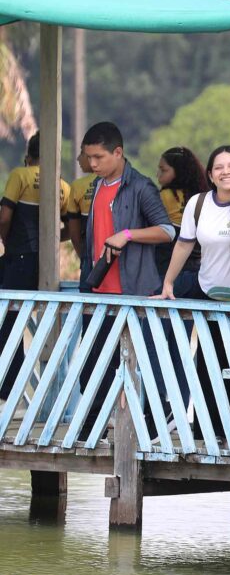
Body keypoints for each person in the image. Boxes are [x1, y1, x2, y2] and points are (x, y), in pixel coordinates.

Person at [156, 145, 230, 441]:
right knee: (208, 361)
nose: (226, 172)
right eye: (219, 167)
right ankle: (210, 431)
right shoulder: (198, 204)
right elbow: (183, 244)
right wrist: (168, 284)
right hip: (210, 292)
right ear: (210, 174)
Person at [78, 121, 174, 430]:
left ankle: (150, 430)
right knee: (92, 369)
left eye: (98, 157)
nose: (91, 164)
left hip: (132, 292)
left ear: (118, 153)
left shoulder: (141, 186)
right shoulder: (96, 186)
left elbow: (167, 231)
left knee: (139, 367)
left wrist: (128, 234)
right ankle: (90, 432)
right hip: (97, 290)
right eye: (88, 157)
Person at [0, 132, 70, 398]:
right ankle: (18, 383)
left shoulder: (20, 175)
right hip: (44, 262)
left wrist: (5, 238)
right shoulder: (62, 185)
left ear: (29, 156)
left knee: (9, 322)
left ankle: (10, 385)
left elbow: (5, 216)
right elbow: (69, 230)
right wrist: (51, 241)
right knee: (20, 320)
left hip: (18, 255)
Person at [154, 146, 208, 294]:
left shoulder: (165, 196)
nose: (158, 174)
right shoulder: (204, 196)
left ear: (179, 171)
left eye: (164, 170)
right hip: (197, 266)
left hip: (167, 263)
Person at [67, 146, 96, 261]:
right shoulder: (117, 182)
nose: (78, 159)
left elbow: (74, 235)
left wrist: (84, 258)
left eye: (82, 154)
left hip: (89, 256)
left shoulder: (78, 186)